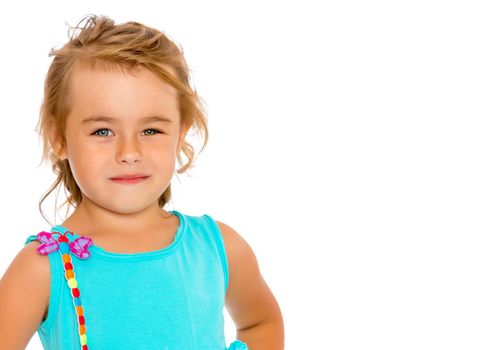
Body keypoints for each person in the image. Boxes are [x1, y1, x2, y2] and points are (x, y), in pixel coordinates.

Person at [0, 14, 284, 350]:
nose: (129, 152)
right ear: (59, 138)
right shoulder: (42, 269)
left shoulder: (219, 248)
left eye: (151, 130)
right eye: (102, 131)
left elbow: (261, 322)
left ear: (181, 133)